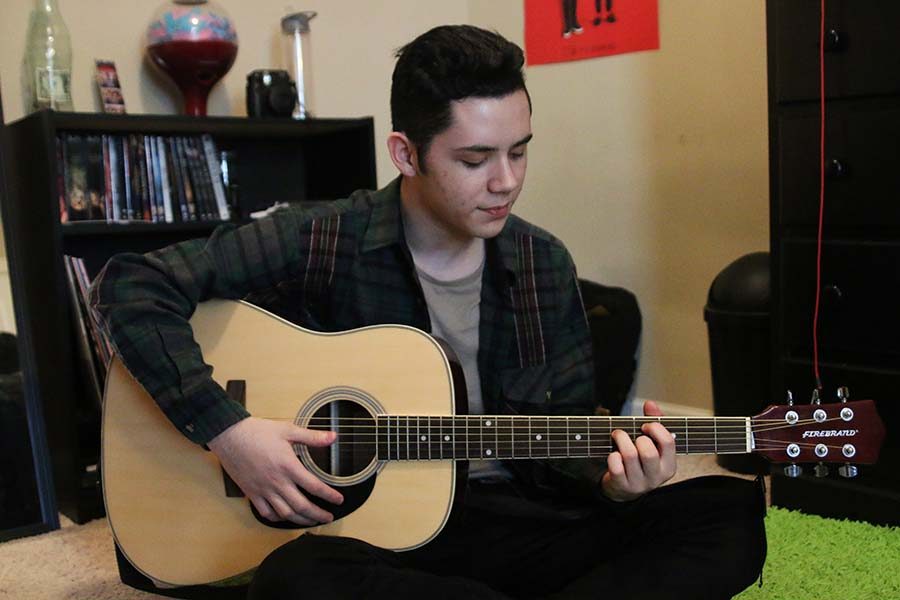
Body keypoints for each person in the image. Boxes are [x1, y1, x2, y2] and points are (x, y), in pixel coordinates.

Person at [91, 24, 766, 600]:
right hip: (368, 538)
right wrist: (231, 435)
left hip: (508, 520)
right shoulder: (323, 238)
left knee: (727, 518)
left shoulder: (542, 265)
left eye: (519, 149)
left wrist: (616, 484)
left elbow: (558, 450)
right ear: (405, 153)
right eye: (475, 159)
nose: (507, 180)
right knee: (298, 579)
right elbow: (131, 286)